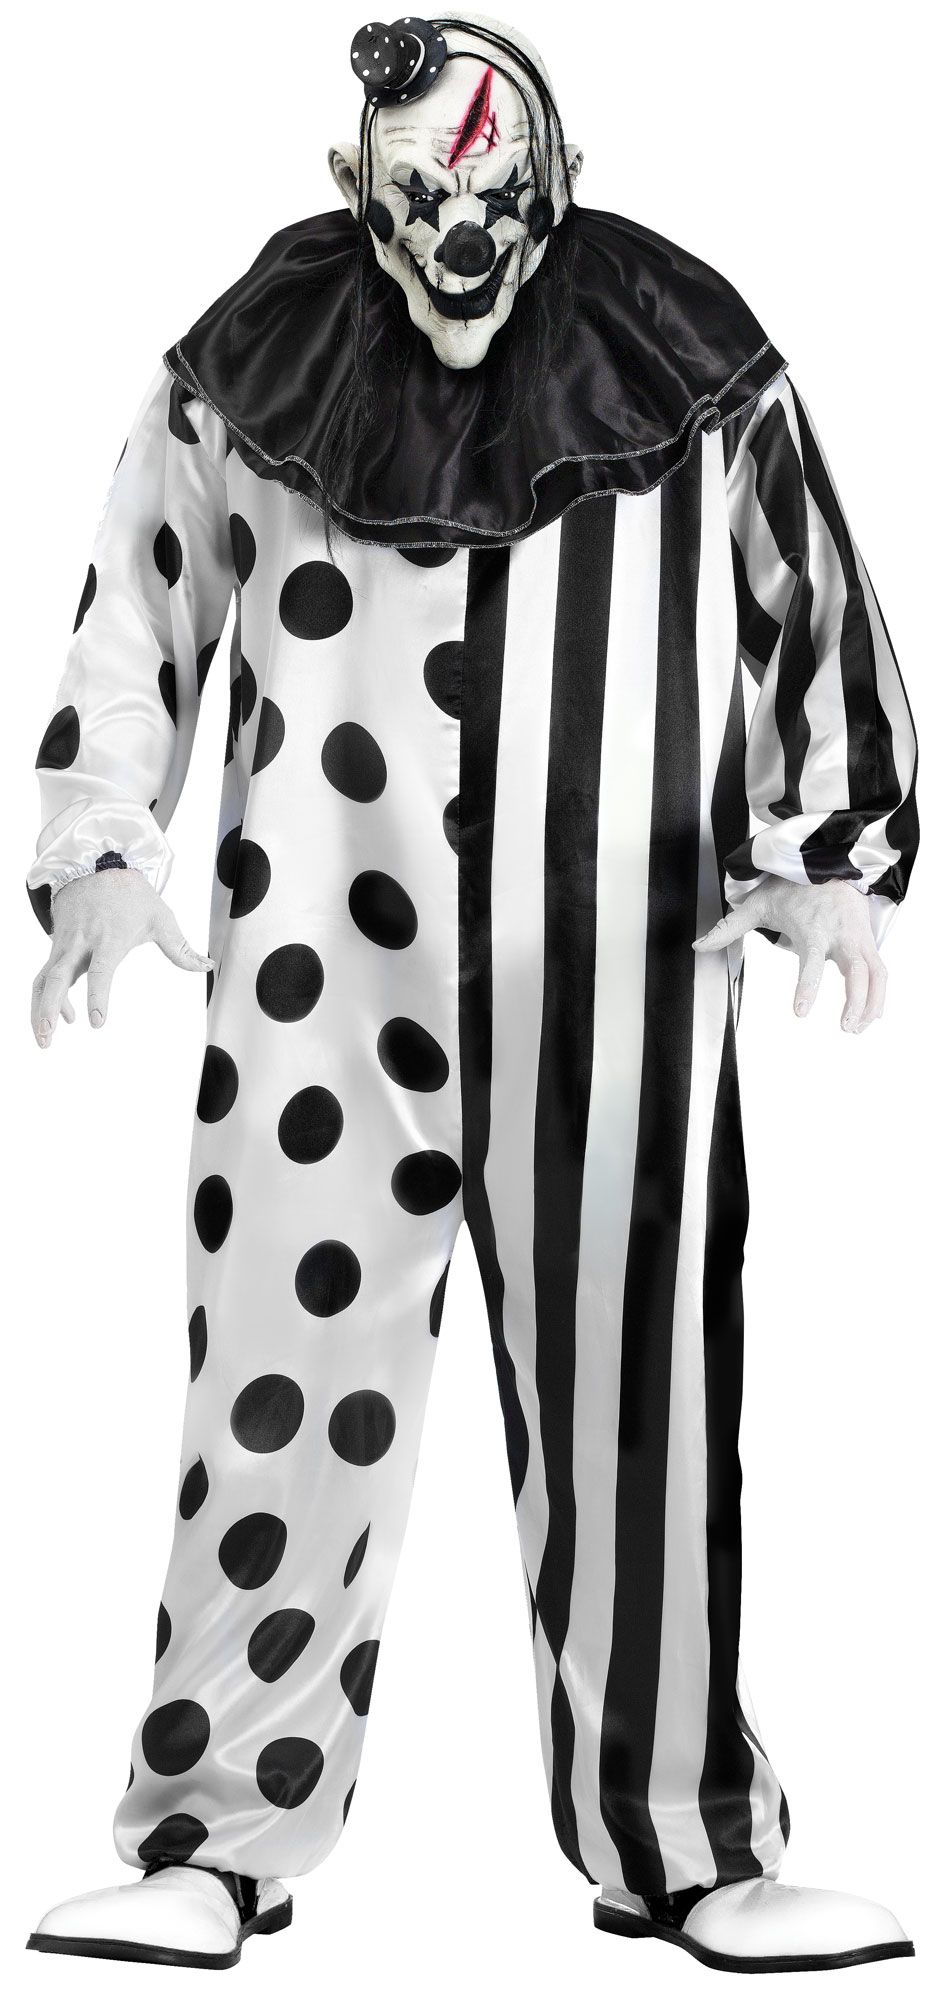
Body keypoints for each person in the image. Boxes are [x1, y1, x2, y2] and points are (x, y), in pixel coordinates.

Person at [26, 13, 918, 1975]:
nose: (458, 231)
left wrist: (836, 845)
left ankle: (684, 1839)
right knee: (270, 1390)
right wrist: (99, 834)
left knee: (641, 1408)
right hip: (310, 970)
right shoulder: (253, 354)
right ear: (356, 192)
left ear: (556, 183)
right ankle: (212, 1832)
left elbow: (810, 593)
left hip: (621, 972)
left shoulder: (686, 351)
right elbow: (141, 592)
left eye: (495, 192)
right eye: (419, 192)